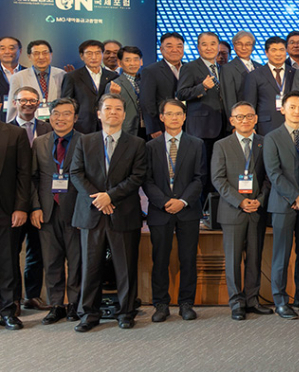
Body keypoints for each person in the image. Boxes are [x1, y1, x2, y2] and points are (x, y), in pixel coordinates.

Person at [70, 95, 146, 331]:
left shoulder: (136, 143)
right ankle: (89, 314)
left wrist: (110, 196)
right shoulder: (85, 141)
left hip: (123, 212)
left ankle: (125, 311)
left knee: (125, 267)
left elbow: (137, 176)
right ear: (99, 113)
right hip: (92, 214)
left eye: (118, 109)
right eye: (108, 108)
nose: (113, 112)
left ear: (124, 115)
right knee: (90, 267)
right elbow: (76, 173)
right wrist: (99, 199)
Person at [141, 99, 206, 323]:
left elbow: (200, 179)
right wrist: (165, 201)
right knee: (160, 259)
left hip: (187, 210)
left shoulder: (196, 144)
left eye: (179, 113)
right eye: (169, 114)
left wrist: (183, 201)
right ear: (161, 117)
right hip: (161, 211)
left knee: (188, 258)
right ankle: (161, 304)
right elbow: (146, 180)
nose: (174, 118)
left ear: (185, 116)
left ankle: (186, 303)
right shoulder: (150, 147)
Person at [211, 102, 272, 320]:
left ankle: (252, 300)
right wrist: (239, 201)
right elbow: (217, 179)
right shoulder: (222, 145)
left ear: (256, 119)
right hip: (232, 211)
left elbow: (269, 177)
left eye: (248, 116)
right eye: (239, 117)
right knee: (234, 259)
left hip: (257, 209)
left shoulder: (265, 143)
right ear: (232, 120)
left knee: (254, 258)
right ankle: (236, 302)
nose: (244, 120)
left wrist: (260, 200)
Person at [263, 91, 299, 318]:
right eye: (292, 107)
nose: (297, 111)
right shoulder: (271, 137)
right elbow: (273, 174)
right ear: (282, 109)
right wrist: (296, 197)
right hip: (283, 204)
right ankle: (281, 301)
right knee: (281, 255)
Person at [28, 98, 81, 324]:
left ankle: (75, 305)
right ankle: (56, 304)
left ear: (75, 118)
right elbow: (33, 177)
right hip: (47, 210)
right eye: (56, 114)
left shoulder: (85, 141)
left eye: (67, 114)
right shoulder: (39, 143)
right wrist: (36, 207)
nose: (61, 118)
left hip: (75, 210)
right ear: (49, 117)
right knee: (51, 261)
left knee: (76, 260)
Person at [176, 31, 230, 219]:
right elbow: (181, 93)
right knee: (202, 171)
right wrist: (202, 87)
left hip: (224, 128)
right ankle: (200, 211)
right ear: (198, 47)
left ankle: (216, 211)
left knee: (220, 170)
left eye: (213, 44)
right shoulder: (190, 67)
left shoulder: (224, 68)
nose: (209, 48)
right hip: (201, 128)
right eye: (204, 44)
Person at [10, 86, 50, 308]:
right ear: (15, 103)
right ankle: (13, 298)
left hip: (39, 202)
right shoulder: (5, 130)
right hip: (14, 202)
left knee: (37, 250)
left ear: (38, 104)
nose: (27, 104)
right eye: (23, 100)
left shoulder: (48, 128)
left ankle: (32, 296)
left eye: (32, 100)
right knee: (11, 253)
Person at [0, 114, 32, 330]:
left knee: (7, 261)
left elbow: (24, 174)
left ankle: (8, 310)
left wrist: (21, 207)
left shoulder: (15, 133)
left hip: (7, 209)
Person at [7, 39, 67, 124]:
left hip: (57, 123)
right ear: (29, 56)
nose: (41, 57)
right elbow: (12, 107)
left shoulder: (62, 74)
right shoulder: (18, 77)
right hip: (30, 123)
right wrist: (10, 130)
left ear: (51, 54)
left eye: (45, 53)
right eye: (36, 53)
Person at [243, 36, 294, 135]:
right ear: (266, 53)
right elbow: (250, 104)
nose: (278, 54)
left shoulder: (295, 73)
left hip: (292, 123)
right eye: (274, 50)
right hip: (265, 126)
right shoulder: (255, 75)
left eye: (281, 50)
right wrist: (251, 126)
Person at [140, 33, 183, 136]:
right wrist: (153, 128)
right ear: (161, 49)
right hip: (161, 127)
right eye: (169, 46)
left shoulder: (189, 69)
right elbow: (147, 102)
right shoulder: (151, 71)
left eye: (179, 46)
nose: (175, 49)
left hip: (188, 126)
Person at [107, 46, 146, 137]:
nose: (132, 63)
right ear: (119, 63)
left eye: (136, 59)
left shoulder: (146, 81)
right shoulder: (113, 85)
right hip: (126, 131)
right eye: (128, 60)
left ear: (141, 62)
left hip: (146, 131)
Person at [223, 30, 259, 105]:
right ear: (234, 47)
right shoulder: (228, 68)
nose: (244, 48)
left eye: (248, 44)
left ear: (253, 47)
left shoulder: (260, 67)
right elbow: (229, 99)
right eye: (239, 44)